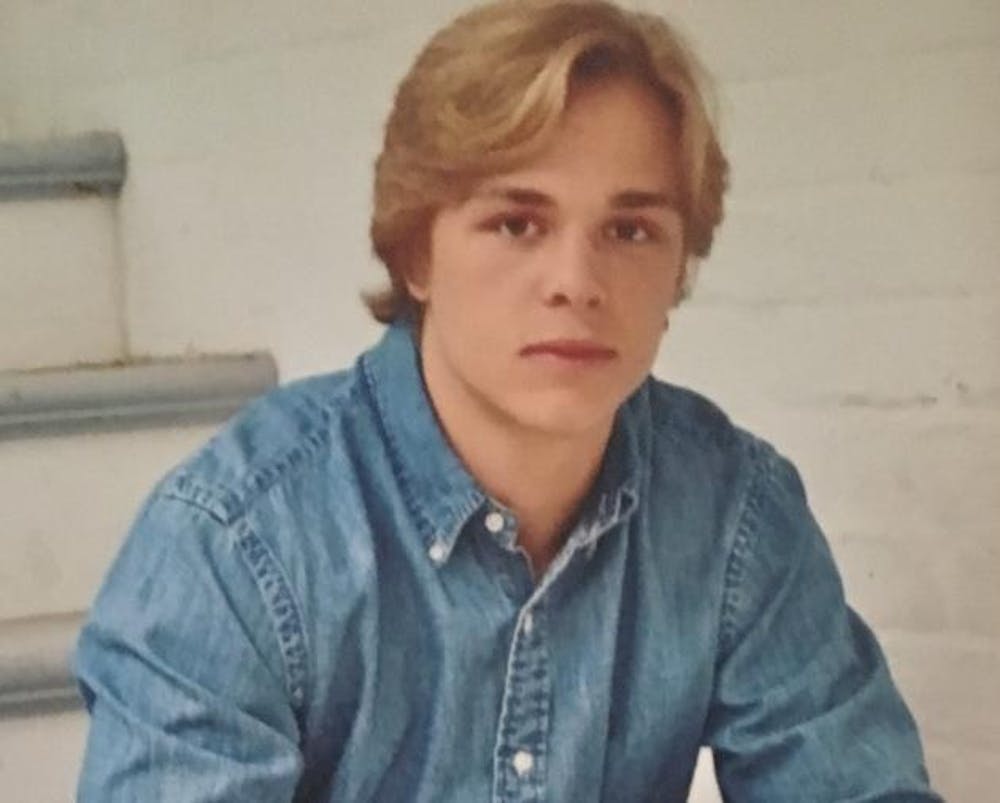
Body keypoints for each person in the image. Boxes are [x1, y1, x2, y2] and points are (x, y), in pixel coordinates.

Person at [74, 1, 941, 800]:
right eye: (517, 223)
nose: (576, 281)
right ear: (418, 255)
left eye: (630, 229)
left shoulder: (734, 513)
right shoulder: (237, 543)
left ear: (679, 269)